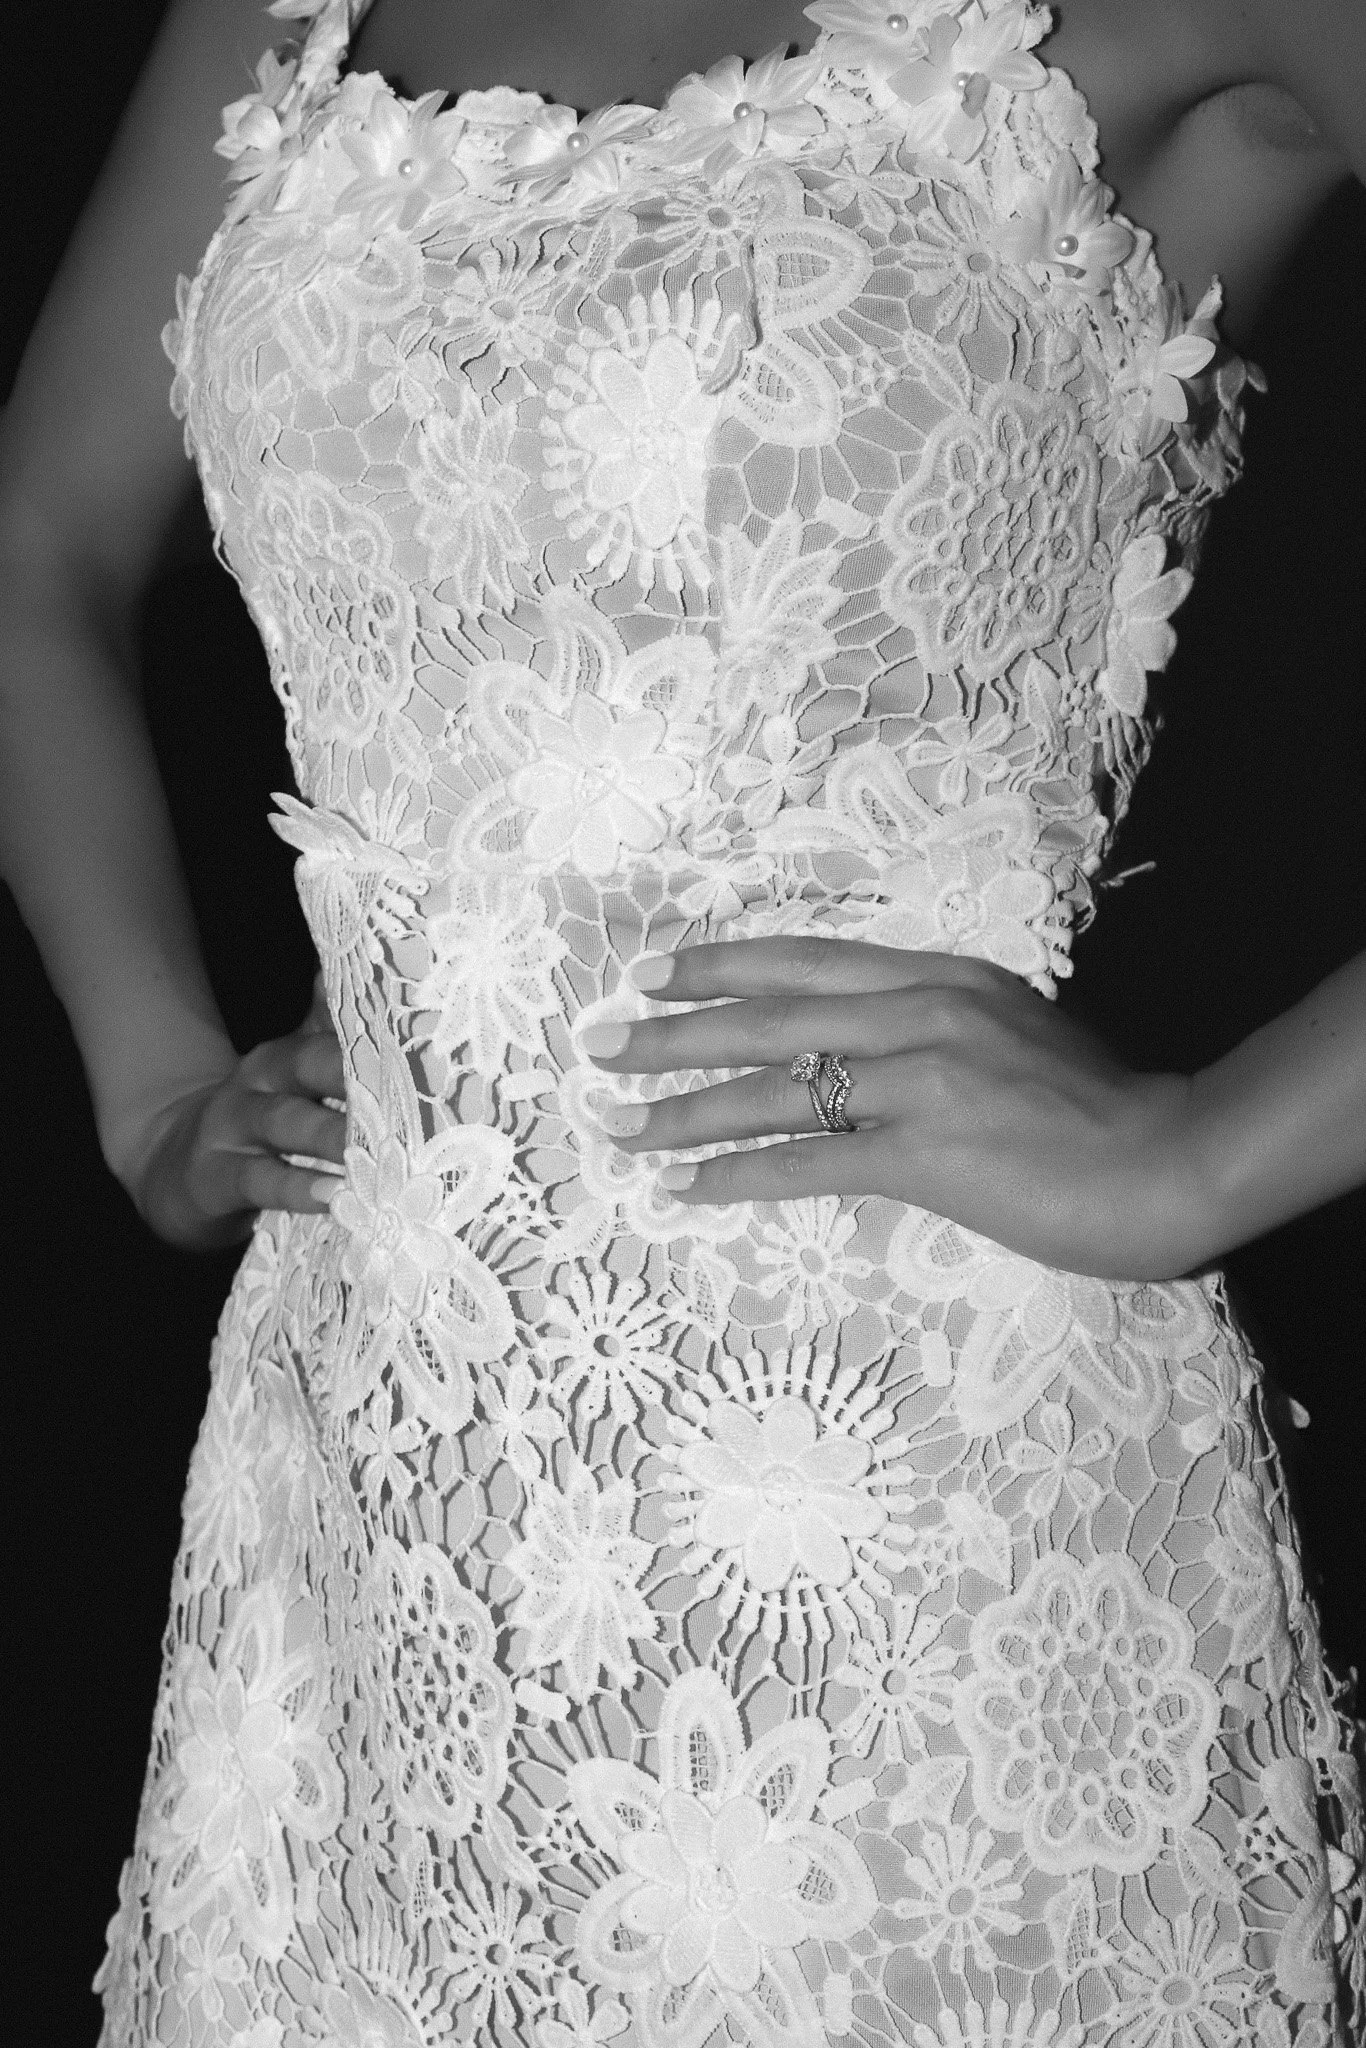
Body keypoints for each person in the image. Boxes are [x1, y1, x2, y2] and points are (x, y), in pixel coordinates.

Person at [2, 0, 1363, 2039]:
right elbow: (34, 541)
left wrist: (1197, 1150)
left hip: (931, 1560)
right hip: (376, 1573)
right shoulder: (271, 14)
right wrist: (148, 1083)